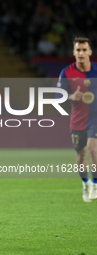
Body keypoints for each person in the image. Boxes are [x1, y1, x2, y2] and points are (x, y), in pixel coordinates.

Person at [57, 37, 97, 202]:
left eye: (84, 50)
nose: (81, 53)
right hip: (77, 121)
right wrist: (70, 96)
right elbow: (58, 96)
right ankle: (85, 183)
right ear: (74, 52)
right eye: (78, 50)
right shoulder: (67, 73)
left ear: (90, 52)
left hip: (95, 118)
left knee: (92, 149)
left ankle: (95, 184)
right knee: (80, 154)